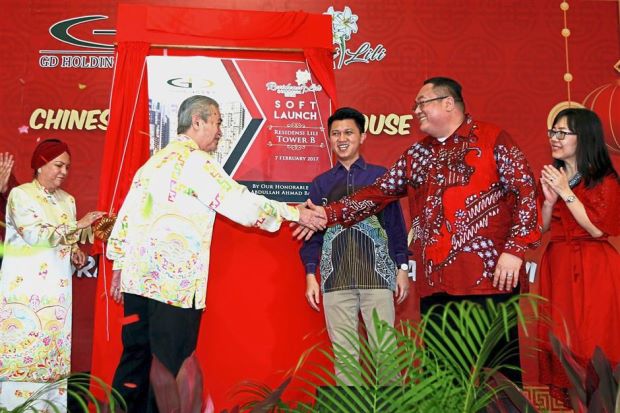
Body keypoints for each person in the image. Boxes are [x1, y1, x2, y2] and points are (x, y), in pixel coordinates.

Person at [297, 77, 541, 383]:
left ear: (448, 103)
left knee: (497, 375)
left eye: (422, 103)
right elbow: (379, 192)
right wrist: (328, 212)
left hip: (489, 279)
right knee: (442, 376)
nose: (416, 111)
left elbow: (525, 191)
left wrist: (514, 250)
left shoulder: (493, 139)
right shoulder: (418, 154)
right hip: (436, 284)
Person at [106, 95, 325, 412]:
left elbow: (125, 218)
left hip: (137, 283)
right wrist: (294, 213)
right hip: (173, 286)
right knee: (167, 370)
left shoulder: (151, 165)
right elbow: (240, 202)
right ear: (198, 122)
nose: (221, 130)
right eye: (218, 122)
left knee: (134, 364)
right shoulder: (196, 162)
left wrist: (119, 265)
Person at [300, 107, 409, 384]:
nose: (342, 139)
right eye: (335, 133)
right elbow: (312, 235)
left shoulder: (380, 177)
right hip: (335, 280)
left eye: (348, 132)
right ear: (329, 138)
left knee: (386, 354)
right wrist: (310, 274)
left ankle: (390, 404)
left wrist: (402, 268)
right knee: (344, 359)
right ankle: (350, 404)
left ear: (362, 137)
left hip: (377, 277)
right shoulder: (321, 184)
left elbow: (395, 226)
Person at [0, 139, 105, 410]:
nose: (63, 172)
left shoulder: (67, 201)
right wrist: (79, 225)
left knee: (53, 359)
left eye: (67, 167)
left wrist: (74, 252)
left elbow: (65, 239)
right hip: (25, 292)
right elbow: (35, 235)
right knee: (23, 356)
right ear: (40, 164)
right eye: (58, 165)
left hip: (57, 295)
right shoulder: (21, 195)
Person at [537, 108, 620, 402]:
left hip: (595, 266)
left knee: (595, 338)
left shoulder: (604, 180)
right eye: (553, 132)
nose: (555, 138)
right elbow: (541, 229)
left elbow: (597, 229)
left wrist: (566, 192)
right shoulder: (554, 176)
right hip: (558, 267)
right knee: (564, 338)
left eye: (562, 133)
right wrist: (549, 202)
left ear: (584, 137)